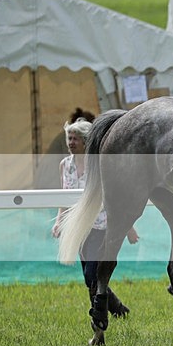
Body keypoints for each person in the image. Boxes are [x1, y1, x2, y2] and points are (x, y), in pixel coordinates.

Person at [52, 117, 139, 318]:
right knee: (88, 277)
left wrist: (128, 228)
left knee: (93, 274)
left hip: (101, 225)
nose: (71, 142)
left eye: (75, 139)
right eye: (69, 138)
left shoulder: (100, 166)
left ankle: (99, 315)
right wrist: (59, 221)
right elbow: (63, 195)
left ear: (86, 142)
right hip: (78, 226)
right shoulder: (65, 165)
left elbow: (115, 197)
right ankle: (117, 308)